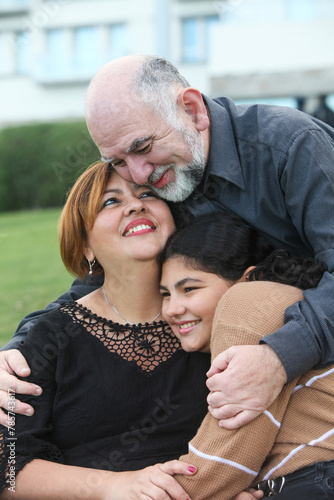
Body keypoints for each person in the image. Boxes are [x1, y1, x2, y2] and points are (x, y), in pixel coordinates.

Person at [1, 54, 334, 431]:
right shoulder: (162, 183)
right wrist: (19, 349)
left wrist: (278, 357)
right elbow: (110, 280)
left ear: (192, 110)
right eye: (117, 161)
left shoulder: (292, 147)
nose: (139, 175)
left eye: (142, 147)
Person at [0, 161, 212, 499]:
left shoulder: (214, 318)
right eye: (111, 201)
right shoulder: (48, 339)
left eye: (148, 194)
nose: (136, 204)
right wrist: (115, 485)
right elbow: (7, 467)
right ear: (86, 247)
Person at [159, 213, 334, 499]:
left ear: (249, 277)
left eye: (189, 289)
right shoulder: (289, 307)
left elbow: (225, 464)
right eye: (165, 294)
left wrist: (140, 489)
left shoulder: (247, 301)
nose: (172, 309)